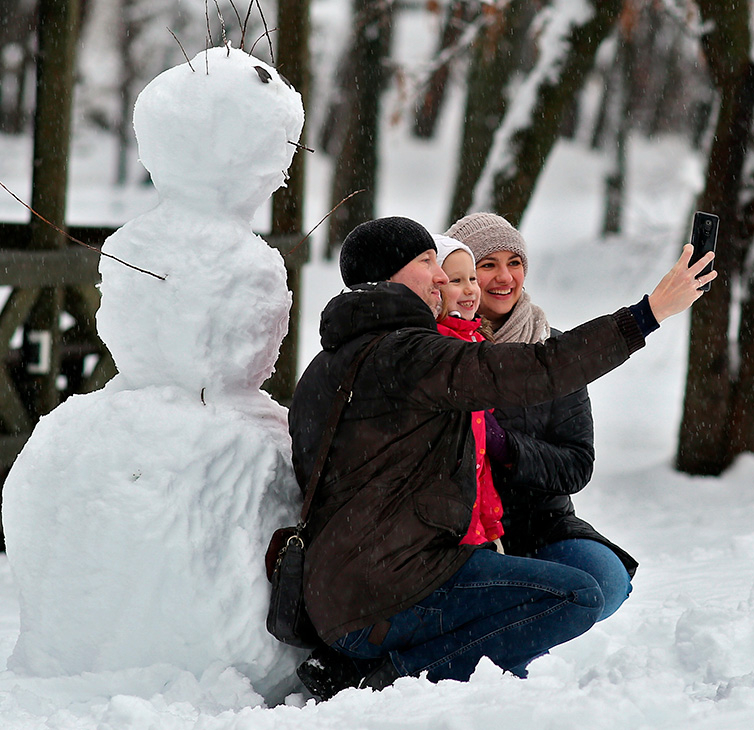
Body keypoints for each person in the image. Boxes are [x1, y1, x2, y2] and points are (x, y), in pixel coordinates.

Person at [289, 216, 715, 700]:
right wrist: (648, 313)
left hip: (344, 592)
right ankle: (393, 675)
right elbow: (542, 367)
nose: (441, 277)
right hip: (388, 595)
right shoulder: (410, 355)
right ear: (388, 277)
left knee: (592, 581)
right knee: (577, 596)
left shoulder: (333, 362)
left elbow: (571, 455)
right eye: (428, 263)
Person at [444, 212, 634, 622]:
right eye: (487, 265)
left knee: (606, 581)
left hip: (541, 525)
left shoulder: (555, 352)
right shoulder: (442, 351)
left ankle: (514, 624)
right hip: (461, 532)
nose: (504, 278)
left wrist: (507, 449)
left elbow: (577, 464)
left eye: (514, 263)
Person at [432, 234, 504, 551]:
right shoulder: (435, 345)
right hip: (446, 524)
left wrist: (491, 525)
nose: (470, 289)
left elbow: (481, 460)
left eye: (472, 278)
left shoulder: (476, 343)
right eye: (456, 280)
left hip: (474, 520)